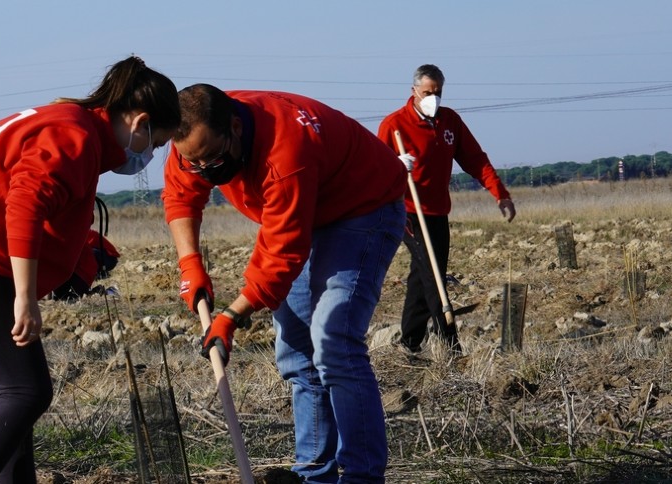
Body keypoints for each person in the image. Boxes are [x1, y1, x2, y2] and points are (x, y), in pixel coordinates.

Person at [0, 56, 179, 483]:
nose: (151, 155)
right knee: (27, 392)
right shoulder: (75, 136)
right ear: (139, 122)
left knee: (9, 397)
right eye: (156, 143)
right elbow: (25, 206)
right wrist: (25, 296)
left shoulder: (70, 122)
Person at [164, 84, 407, 483]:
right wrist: (190, 266)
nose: (205, 169)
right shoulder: (192, 135)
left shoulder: (285, 149)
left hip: (363, 208)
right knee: (297, 352)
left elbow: (282, 254)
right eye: (194, 162)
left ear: (236, 129)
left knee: (334, 341)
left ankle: (362, 476)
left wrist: (230, 317)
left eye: (212, 158)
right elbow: (180, 197)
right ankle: (314, 472)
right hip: (304, 214)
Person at [377, 64, 516, 353]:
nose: (433, 98)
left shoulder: (450, 121)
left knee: (423, 275)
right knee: (434, 277)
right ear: (414, 91)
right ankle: (451, 346)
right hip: (407, 211)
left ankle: (410, 343)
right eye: (427, 92)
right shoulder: (394, 125)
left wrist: (500, 194)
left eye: (438, 92)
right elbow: (372, 172)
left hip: (438, 211)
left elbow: (475, 159)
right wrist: (393, 167)